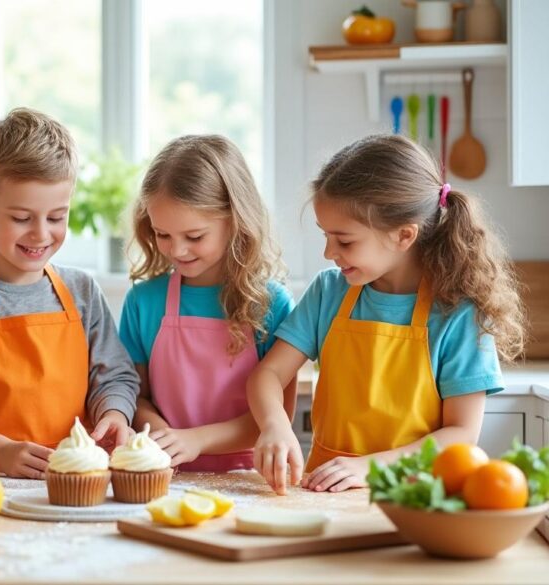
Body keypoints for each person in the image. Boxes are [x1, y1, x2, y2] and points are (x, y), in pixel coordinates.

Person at [248, 134, 525, 494]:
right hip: (325, 493)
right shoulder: (329, 292)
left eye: (345, 240)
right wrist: (274, 424)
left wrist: (369, 468)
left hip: (416, 496)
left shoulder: (457, 312)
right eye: (326, 236)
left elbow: (461, 435)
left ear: (404, 235)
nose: (329, 252)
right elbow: (267, 374)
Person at [0, 108, 140, 478]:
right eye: (21, 218)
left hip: (77, 481)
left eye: (56, 217)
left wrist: (114, 414)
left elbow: (114, 377)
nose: (41, 234)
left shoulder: (82, 291)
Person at [119, 135, 295, 471]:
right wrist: (164, 435)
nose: (177, 250)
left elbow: (277, 419)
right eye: (162, 234)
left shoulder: (270, 304)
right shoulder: (144, 302)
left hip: (248, 478)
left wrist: (196, 440)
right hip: (162, 474)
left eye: (194, 236)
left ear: (235, 221)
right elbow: (134, 396)